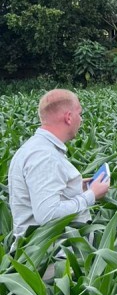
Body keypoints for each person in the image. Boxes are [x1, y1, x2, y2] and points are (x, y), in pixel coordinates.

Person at [8, 88, 111, 250]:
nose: (81, 120)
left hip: (48, 255)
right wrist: (91, 195)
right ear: (69, 117)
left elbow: (46, 193)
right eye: (80, 114)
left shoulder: (36, 148)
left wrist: (78, 187)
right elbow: (48, 215)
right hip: (52, 262)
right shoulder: (44, 156)